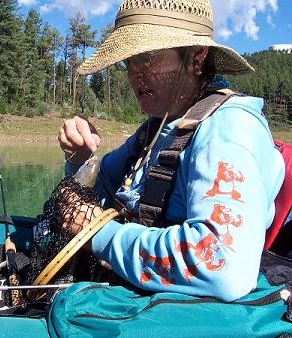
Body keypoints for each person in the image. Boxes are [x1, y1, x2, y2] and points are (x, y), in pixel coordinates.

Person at [58, 0, 285, 302]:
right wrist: (79, 160)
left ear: (197, 55)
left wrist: (97, 235)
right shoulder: (156, 129)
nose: (134, 72)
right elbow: (100, 194)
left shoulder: (228, 128)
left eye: (147, 57)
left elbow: (224, 268)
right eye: (129, 60)